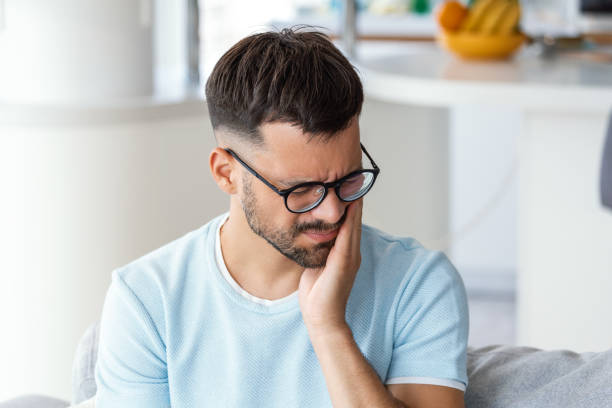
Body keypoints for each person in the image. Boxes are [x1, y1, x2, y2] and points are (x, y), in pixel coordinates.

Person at [94, 26, 469, 408]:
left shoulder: (418, 283)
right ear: (227, 173)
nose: (333, 211)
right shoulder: (147, 298)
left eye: (349, 179)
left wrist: (328, 327)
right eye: (301, 189)